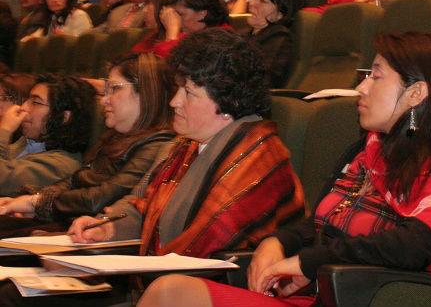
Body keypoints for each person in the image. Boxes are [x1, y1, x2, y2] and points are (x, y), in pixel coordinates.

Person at [138, 32, 431, 307]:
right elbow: (321, 223)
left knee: (171, 293)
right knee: (172, 292)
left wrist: (309, 262)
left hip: (370, 298)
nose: (361, 88)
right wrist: (278, 241)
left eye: (376, 77)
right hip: (318, 295)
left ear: (416, 94)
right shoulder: (367, 154)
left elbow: (408, 248)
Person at [67, 30, 305, 265]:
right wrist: (108, 228)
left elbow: (211, 246)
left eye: (188, 93)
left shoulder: (258, 159)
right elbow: (147, 208)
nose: (174, 102)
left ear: (226, 102)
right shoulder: (186, 146)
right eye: (177, 89)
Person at [0, 55, 174, 234]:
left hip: (94, 234)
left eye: (114, 89)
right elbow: (74, 181)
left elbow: (100, 199)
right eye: (105, 90)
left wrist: (35, 203)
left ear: (145, 92)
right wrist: (30, 201)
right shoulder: (114, 138)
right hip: (73, 226)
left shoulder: (158, 143)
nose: (104, 100)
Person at [0, 76, 93, 196]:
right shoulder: (27, 142)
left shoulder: (61, 165)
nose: (23, 107)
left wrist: (5, 130)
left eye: (36, 102)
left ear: (64, 118)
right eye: (27, 100)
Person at [243, 0, 306, 90]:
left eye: (262, 0)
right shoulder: (243, 34)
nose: (251, 3)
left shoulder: (279, 39)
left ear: (281, 13)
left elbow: (260, 82)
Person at [151, 0, 230, 58]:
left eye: (180, 14)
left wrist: (172, 33)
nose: (174, 20)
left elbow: (170, 66)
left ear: (202, 14)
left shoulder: (221, 41)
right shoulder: (188, 35)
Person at [21, 0, 92, 40]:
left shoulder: (79, 15)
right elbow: (38, 36)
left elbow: (83, 43)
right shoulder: (52, 17)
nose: (54, 0)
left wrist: (64, 37)